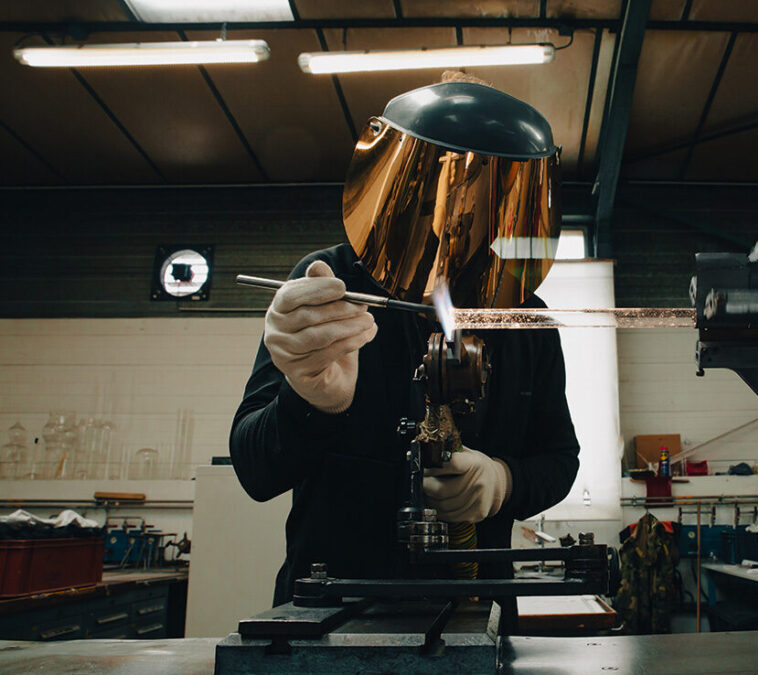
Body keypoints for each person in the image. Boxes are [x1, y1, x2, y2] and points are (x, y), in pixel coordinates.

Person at [230, 74, 579, 606]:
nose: (461, 199)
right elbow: (255, 470)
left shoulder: (524, 318)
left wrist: (504, 483)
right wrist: (309, 402)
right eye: (446, 172)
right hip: (333, 611)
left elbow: (559, 459)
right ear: (410, 172)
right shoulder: (331, 287)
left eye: (484, 177)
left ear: (509, 191)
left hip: (473, 612)